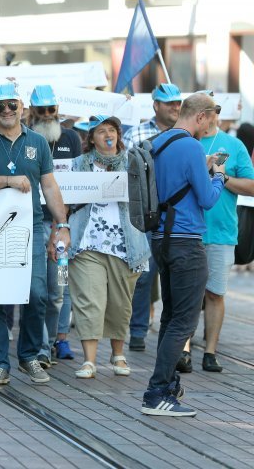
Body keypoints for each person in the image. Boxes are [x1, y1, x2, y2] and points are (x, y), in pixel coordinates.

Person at [0, 83, 71, 385]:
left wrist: (61, 225)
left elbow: (49, 186)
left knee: (37, 295)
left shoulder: (36, 140)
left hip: (32, 227)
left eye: (12, 105)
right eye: (0, 106)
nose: (7, 111)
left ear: (22, 107)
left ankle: (29, 356)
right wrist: (8, 180)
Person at [141, 93, 226, 417]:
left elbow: (172, 183)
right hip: (185, 240)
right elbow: (206, 199)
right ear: (201, 116)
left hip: (161, 238)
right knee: (185, 322)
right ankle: (157, 391)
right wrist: (218, 175)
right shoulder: (191, 146)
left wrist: (200, 169)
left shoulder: (159, 142)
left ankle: (167, 384)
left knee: (170, 316)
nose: (209, 129)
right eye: (210, 121)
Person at [66, 116, 151, 379]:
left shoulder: (132, 162)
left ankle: (118, 354)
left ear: (118, 135)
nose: (107, 135)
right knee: (90, 300)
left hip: (126, 244)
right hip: (87, 241)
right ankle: (90, 361)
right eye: (101, 131)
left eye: (111, 130)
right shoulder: (79, 164)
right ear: (91, 138)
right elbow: (67, 196)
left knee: (120, 303)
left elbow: (146, 196)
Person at [176, 99, 254, 373]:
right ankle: (183, 349)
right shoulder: (186, 142)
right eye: (208, 112)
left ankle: (210, 351)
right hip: (188, 231)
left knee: (215, 293)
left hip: (221, 232)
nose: (211, 117)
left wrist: (221, 177)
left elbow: (252, 186)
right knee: (187, 294)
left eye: (214, 111)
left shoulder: (234, 146)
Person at [123, 83, 182, 352]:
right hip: (146, 213)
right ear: (156, 105)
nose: (175, 107)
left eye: (178, 103)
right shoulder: (136, 133)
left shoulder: (185, 134)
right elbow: (125, 173)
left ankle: (174, 334)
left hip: (177, 212)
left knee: (173, 274)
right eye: (169, 103)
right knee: (145, 275)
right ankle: (137, 331)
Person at [28, 84, 82, 368]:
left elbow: (75, 186)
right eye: (42, 110)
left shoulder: (71, 138)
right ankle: (42, 346)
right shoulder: (26, 138)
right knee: (37, 290)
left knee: (59, 289)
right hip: (33, 223)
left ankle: (56, 338)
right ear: (32, 111)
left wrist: (63, 224)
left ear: (58, 109)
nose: (48, 114)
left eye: (52, 109)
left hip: (61, 226)